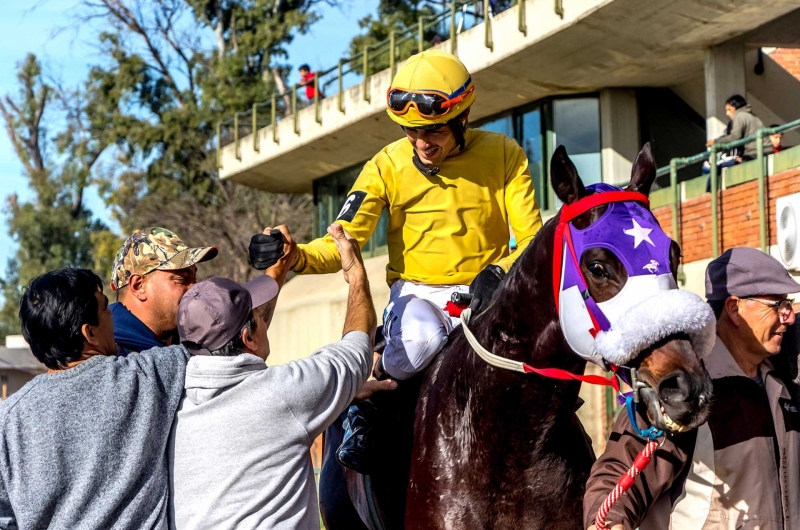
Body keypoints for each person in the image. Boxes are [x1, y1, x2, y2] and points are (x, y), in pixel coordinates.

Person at [249, 50, 542, 473]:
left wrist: (499, 271)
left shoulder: (505, 154)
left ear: (462, 117)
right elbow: (341, 243)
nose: (422, 143)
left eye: (434, 130)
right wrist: (295, 256)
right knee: (419, 341)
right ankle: (367, 401)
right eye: (411, 130)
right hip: (418, 295)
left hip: (487, 293)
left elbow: (531, 238)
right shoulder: (385, 164)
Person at [168, 223, 377, 530]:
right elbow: (357, 350)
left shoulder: (172, 401)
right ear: (248, 339)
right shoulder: (281, 394)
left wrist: (278, 270)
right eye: (257, 316)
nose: (265, 322)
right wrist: (356, 274)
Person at [583, 247, 800, 530]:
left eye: (789, 304)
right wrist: (610, 522)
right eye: (777, 305)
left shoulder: (782, 383)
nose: (790, 316)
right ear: (735, 309)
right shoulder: (683, 390)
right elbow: (619, 471)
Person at [0, 268, 189, 529]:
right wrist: (266, 278)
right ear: (89, 333)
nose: (114, 314)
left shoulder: (8, 420)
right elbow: (226, 332)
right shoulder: (143, 377)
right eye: (105, 309)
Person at [110, 227, 217, 354]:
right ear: (138, 286)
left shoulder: (191, 341)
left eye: (195, 278)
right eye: (182, 279)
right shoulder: (110, 360)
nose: (195, 287)